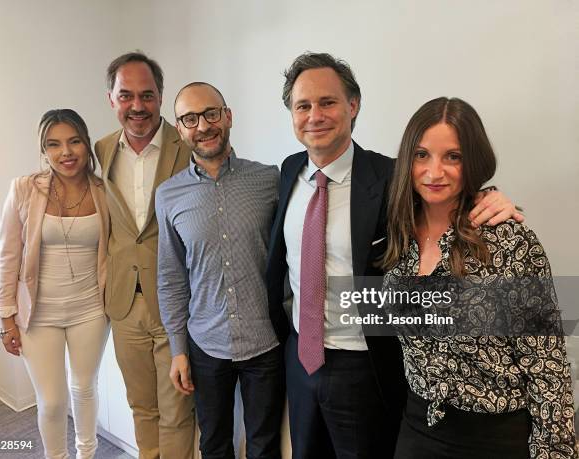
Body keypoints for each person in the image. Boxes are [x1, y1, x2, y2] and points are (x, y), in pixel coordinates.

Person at [266, 52, 523, 458]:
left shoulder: (391, 178)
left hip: (363, 367)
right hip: (301, 359)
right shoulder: (288, 170)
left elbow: (444, 197)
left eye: (328, 102)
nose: (315, 115)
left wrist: (489, 199)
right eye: (303, 105)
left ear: (353, 105)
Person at [382, 97, 577, 458]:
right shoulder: (398, 234)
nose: (434, 171)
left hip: (494, 438)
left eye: (452, 157)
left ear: (472, 161)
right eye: (422, 155)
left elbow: (547, 368)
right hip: (417, 429)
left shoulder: (506, 240)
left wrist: (556, 451)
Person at [156, 82, 284, 459]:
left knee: (264, 444)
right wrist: (178, 350)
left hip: (265, 341)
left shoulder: (269, 180)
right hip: (206, 344)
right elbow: (171, 277)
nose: (203, 125)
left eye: (211, 113)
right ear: (179, 129)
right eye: (190, 119)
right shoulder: (168, 195)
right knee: (213, 444)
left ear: (228, 116)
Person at [94, 51, 195, 459]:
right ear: (111, 99)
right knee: (142, 406)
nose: (137, 106)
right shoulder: (100, 151)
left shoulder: (188, 145)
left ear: (160, 96)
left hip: (176, 303)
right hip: (123, 303)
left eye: (147, 95)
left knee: (176, 410)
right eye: (126, 95)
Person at [0, 109, 109, 459]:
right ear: (43, 151)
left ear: (87, 144)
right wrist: (5, 317)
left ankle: (86, 454)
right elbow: (7, 255)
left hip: (90, 309)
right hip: (37, 314)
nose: (66, 152)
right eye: (54, 144)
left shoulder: (105, 191)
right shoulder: (24, 189)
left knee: (85, 387)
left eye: (74, 141)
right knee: (53, 400)